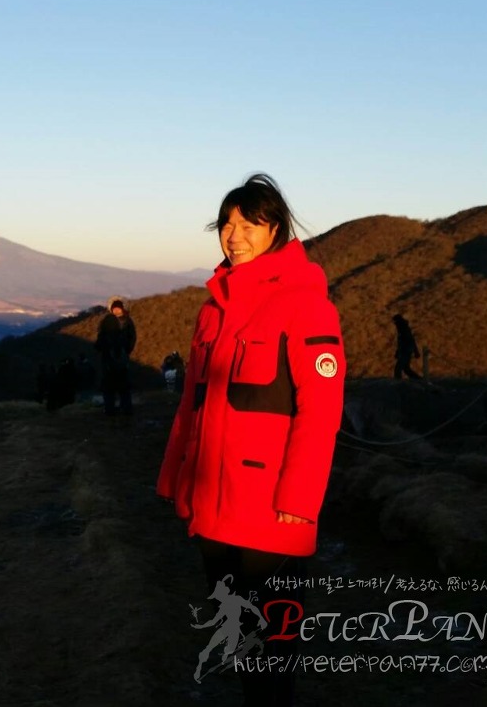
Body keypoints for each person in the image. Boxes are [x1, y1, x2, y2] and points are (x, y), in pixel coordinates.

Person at [156, 173, 345, 706]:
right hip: (213, 500)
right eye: (227, 223)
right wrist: (175, 475)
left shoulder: (304, 304)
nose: (233, 234)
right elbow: (192, 403)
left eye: (249, 224)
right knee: (235, 631)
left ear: (277, 229)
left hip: (270, 508)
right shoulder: (213, 308)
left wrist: (299, 500)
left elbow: (320, 410)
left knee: (271, 646)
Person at [94, 296, 136, 415]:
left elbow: (131, 338)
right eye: (115, 309)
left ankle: (111, 408)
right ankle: (123, 408)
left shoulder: (123, 322)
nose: (116, 311)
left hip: (111, 360)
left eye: (118, 308)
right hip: (119, 359)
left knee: (111, 387)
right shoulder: (122, 323)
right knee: (122, 386)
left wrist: (126, 350)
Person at [392, 313, 422, 380]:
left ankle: (398, 383)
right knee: (406, 369)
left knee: (398, 368)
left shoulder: (404, 329)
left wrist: (415, 351)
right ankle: (419, 380)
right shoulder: (402, 329)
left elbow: (410, 341)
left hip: (405, 352)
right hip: (405, 351)